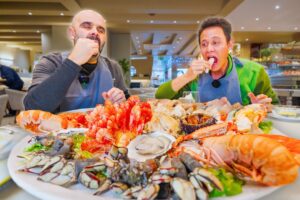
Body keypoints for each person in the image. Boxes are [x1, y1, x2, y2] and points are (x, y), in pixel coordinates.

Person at [155, 17, 279, 106]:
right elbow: (160, 96)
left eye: (215, 42)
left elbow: (273, 106)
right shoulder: (194, 76)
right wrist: (187, 76)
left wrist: (263, 106)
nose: (209, 49)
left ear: (229, 44)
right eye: (204, 44)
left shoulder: (254, 72)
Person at [24, 10, 129, 113]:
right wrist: (73, 61)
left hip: (100, 128)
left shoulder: (112, 67)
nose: (95, 32)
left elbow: (127, 104)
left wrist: (121, 101)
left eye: (100, 30)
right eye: (87, 26)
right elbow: (33, 107)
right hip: (59, 129)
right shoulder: (50, 62)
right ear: (72, 33)